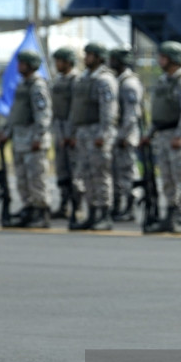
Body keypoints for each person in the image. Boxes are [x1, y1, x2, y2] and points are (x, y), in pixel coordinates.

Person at [145, 41, 181, 234]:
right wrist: (149, 133)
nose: (160, 60)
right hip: (163, 134)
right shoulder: (164, 80)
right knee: (167, 178)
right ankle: (170, 215)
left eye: (164, 57)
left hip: (179, 135)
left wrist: (180, 135)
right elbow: (158, 110)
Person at [0, 50, 53, 228]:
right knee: (22, 178)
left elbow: (43, 115)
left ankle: (41, 211)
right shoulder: (22, 84)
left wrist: (38, 137)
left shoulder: (37, 86)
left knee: (36, 178)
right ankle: (29, 208)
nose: (19, 66)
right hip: (20, 139)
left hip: (33, 141)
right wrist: (6, 132)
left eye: (22, 63)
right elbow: (15, 113)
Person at [68, 42, 118, 231]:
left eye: (89, 55)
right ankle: (92, 212)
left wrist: (104, 134)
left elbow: (108, 110)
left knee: (100, 175)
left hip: (97, 131)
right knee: (86, 175)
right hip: (84, 132)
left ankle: (104, 213)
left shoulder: (105, 80)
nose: (85, 58)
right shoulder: (84, 78)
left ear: (98, 57)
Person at [109, 46, 143, 222]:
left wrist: (124, 136)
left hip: (126, 136)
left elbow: (131, 114)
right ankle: (118, 205)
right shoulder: (117, 80)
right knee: (116, 173)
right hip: (118, 134)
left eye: (113, 59)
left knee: (128, 172)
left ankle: (130, 207)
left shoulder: (129, 83)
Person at [50, 47, 78, 219]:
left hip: (72, 131)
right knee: (62, 171)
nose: (57, 64)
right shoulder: (58, 81)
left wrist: (71, 134)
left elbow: (76, 109)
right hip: (60, 130)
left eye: (59, 61)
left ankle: (77, 205)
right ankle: (63, 203)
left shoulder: (76, 80)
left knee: (75, 171)